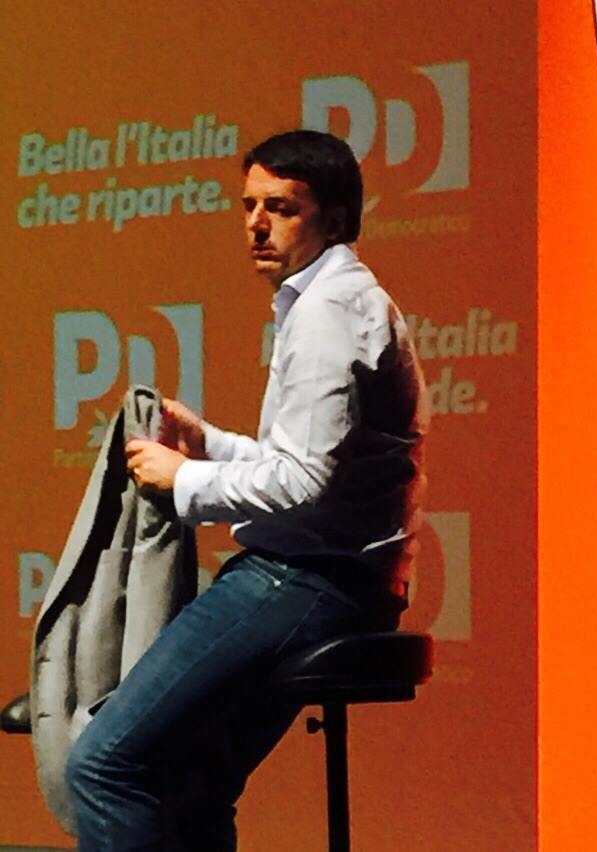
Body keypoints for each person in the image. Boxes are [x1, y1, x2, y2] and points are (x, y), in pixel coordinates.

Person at [65, 129, 429, 851]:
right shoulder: (331, 301)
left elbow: (304, 481)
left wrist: (184, 478)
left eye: (281, 208)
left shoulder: (326, 313)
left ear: (333, 218)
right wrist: (212, 446)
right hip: (333, 576)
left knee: (104, 764)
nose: (256, 224)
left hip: (305, 580)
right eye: (248, 205)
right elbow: (313, 464)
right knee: (193, 783)